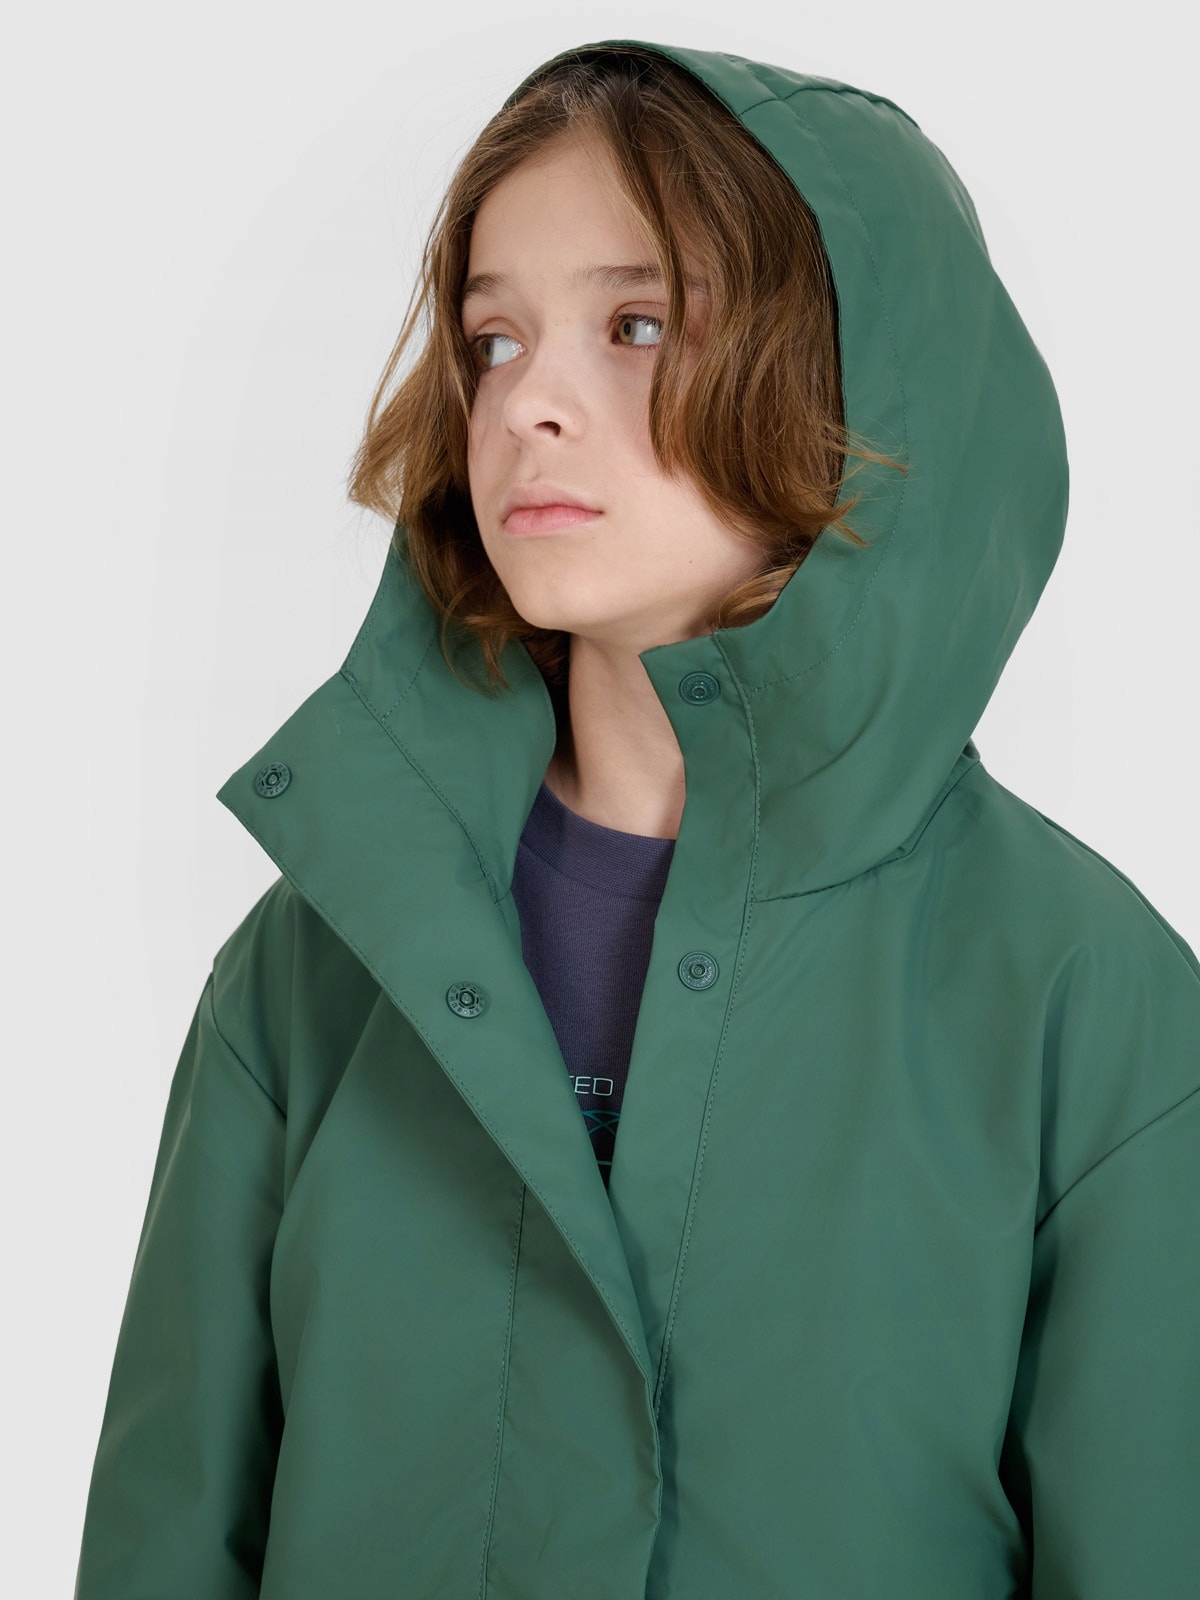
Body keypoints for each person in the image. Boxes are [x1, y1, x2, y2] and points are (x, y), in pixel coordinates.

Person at [73, 37, 1200, 1600]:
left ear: (854, 373)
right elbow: (164, 1546)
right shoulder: (313, 967)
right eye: (492, 339)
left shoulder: (1081, 994)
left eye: (637, 324)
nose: (528, 402)